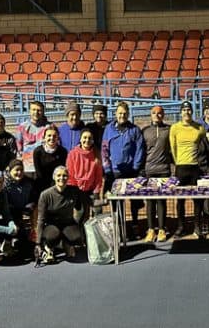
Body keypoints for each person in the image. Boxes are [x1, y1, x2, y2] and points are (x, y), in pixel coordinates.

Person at [102, 101, 145, 237]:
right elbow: (104, 150)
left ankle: (135, 225)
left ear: (128, 114)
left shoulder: (134, 130)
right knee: (117, 203)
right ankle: (120, 228)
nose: (122, 116)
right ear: (116, 114)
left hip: (130, 172)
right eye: (120, 113)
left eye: (125, 113)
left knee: (134, 201)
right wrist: (107, 169)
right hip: (115, 172)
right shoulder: (108, 129)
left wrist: (136, 167)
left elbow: (139, 149)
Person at [169, 101, 207, 236]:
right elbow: (173, 148)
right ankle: (181, 227)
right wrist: (179, 162)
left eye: (189, 110)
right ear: (181, 112)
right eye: (184, 110)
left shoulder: (199, 128)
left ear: (192, 112)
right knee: (180, 200)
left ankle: (197, 226)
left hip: (195, 168)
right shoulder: (174, 128)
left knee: (198, 199)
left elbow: (204, 147)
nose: (187, 112)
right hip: (181, 168)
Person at [35, 166, 82, 264]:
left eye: (64, 175)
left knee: (77, 237)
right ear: (54, 177)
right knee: (52, 236)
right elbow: (40, 219)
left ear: (68, 177)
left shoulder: (74, 191)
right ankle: (48, 247)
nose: (62, 178)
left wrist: (81, 221)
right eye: (59, 175)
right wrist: (38, 243)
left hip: (68, 223)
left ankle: (66, 244)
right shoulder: (45, 195)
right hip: (51, 225)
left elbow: (80, 207)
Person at [140, 106, 172, 242]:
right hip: (149, 171)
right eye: (154, 113)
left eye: (159, 113)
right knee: (150, 201)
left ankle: (162, 229)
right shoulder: (145, 131)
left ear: (163, 115)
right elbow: (141, 151)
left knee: (161, 201)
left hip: (164, 171)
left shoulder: (169, 130)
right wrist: (142, 169)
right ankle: (151, 230)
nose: (157, 115)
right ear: (150, 115)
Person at [66, 129, 103, 228]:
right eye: (85, 138)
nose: (87, 140)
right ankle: (79, 235)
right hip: (77, 189)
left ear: (93, 140)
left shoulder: (96, 154)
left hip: (91, 189)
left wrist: (96, 191)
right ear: (80, 139)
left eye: (90, 138)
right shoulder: (73, 154)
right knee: (80, 214)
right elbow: (70, 175)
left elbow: (98, 176)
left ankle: (95, 235)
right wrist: (75, 191)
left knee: (98, 211)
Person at [3, 159, 37, 244]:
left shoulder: (29, 182)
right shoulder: (4, 184)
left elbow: (33, 198)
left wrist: (30, 206)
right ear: (10, 170)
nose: (19, 172)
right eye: (16, 170)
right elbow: (3, 204)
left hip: (25, 211)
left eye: (21, 170)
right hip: (10, 213)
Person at [15, 100, 49, 177]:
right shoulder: (22, 127)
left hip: (44, 167)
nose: (36, 112)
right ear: (29, 111)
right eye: (33, 110)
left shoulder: (49, 127)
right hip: (27, 169)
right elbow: (18, 149)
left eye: (39, 110)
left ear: (43, 112)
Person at [32, 125, 68, 194]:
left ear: (58, 137)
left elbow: (61, 170)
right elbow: (38, 172)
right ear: (44, 137)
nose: (52, 138)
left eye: (54, 136)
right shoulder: (38, 151)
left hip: (57, 184)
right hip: (41, 185)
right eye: (49, 135)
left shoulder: (63, 151)